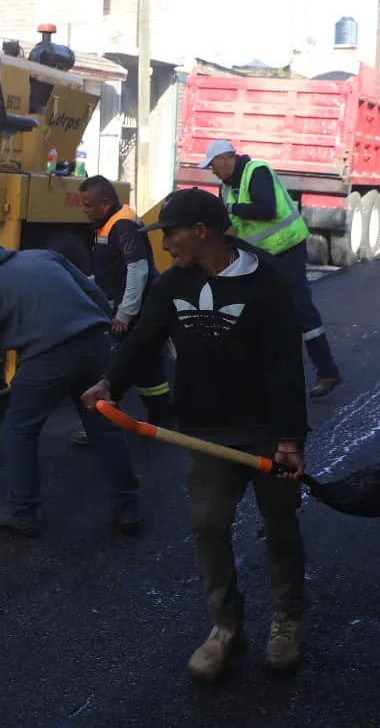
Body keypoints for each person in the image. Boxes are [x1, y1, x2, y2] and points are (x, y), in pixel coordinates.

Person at [81, 187, 310, 682]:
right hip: (206, 430)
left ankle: (286, 619)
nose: (165, 245)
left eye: (171, 233)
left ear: (201, 231)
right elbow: (145, 338)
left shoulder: (265, 281)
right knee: (208, 526)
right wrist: (109, 382)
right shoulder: (174, 283)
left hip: (268, 431)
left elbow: (286, 365)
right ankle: (226, 628)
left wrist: (291, 439)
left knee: (281, 529)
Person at [0, 234, 141, 538]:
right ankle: (128, 508)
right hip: (94, 341)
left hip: (46, 356)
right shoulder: (44, 256)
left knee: (20, 428)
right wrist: (103, 334)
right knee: (104, 426)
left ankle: (22, 510)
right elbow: (95, 294)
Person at [201, 138, 343, 399]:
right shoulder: (226, 188)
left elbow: (266, 209)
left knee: (300, 309)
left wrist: (230, 208)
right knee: (257, 311)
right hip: (262, 256)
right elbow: (228, 224)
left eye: (213, 165)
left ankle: (327, 370)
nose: (212, 171)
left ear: (225, 158)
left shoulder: (257, 171)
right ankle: (258, 376)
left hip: (287, 249)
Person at [69, 175, 173, 445]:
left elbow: (137, 271)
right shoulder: (108, 224)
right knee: (145, 366)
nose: (85, 210)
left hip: (135, 310)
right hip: (133, 308)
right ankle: (161, 422)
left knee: (116, 364)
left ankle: (103, 425)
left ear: (106, 202)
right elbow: (112, 269)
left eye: (89, 205)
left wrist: (125, 314)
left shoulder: (122, 225)